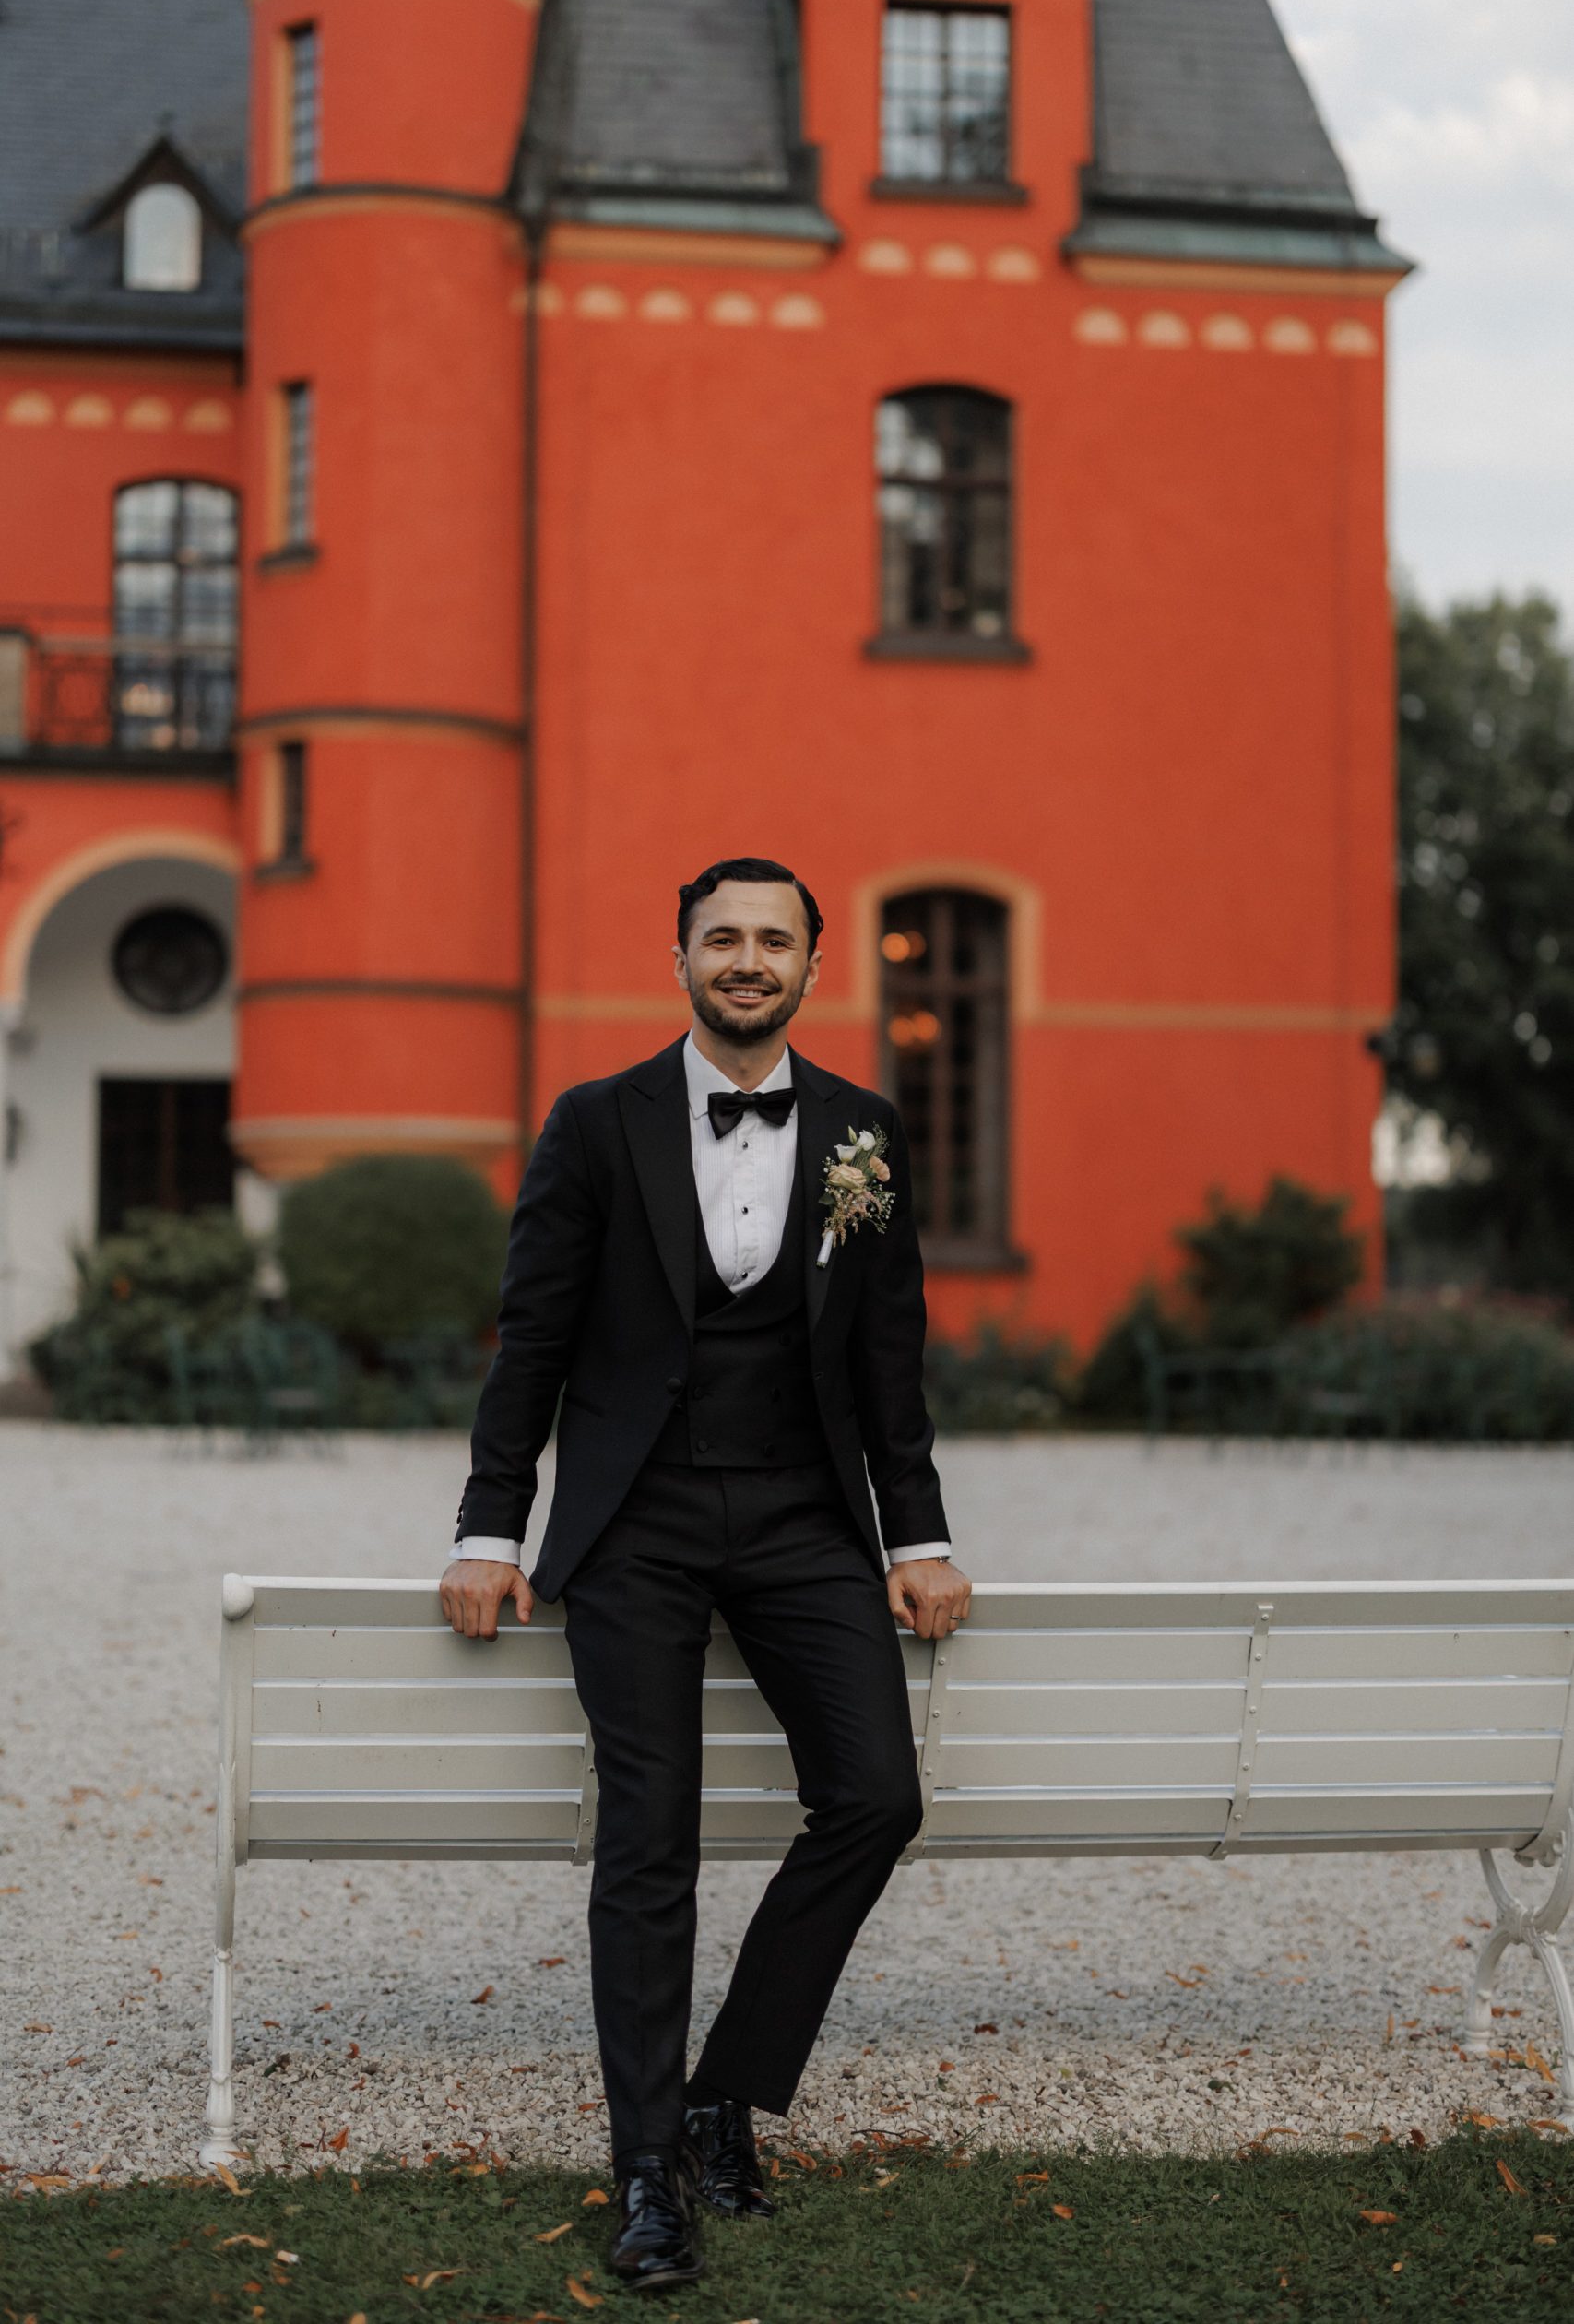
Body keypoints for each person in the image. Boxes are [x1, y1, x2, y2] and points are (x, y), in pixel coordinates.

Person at [440, 855, 972, 2291]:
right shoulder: (594, 1122)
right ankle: (646, 2171)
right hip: (638, 1520)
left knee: (876, 1795)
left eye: (773, 940)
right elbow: (532, 1340)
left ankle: (724, 2093)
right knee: (649, 1836)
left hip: (804, 1516)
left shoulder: (862, 1130)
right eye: (722, 938)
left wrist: (916, 1535)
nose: (747, 960)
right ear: (678, 960)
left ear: (811, 968)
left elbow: (890, 1351)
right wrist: (491, 1528)